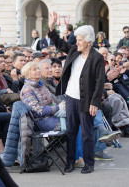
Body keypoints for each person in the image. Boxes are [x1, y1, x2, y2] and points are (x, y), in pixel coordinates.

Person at [48, 12, 114, 174]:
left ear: (88, 42)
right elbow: (58, 42)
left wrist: (95, 103)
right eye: (76, 39)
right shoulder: (73, 50)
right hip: (70, 97)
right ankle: (70, 162)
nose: (76, 42)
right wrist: (51, 27)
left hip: (86, 101)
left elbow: (99, 82)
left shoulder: (97, 57)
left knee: (87, 133)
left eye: (80, 40)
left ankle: (89, 163)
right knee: (71, 131)